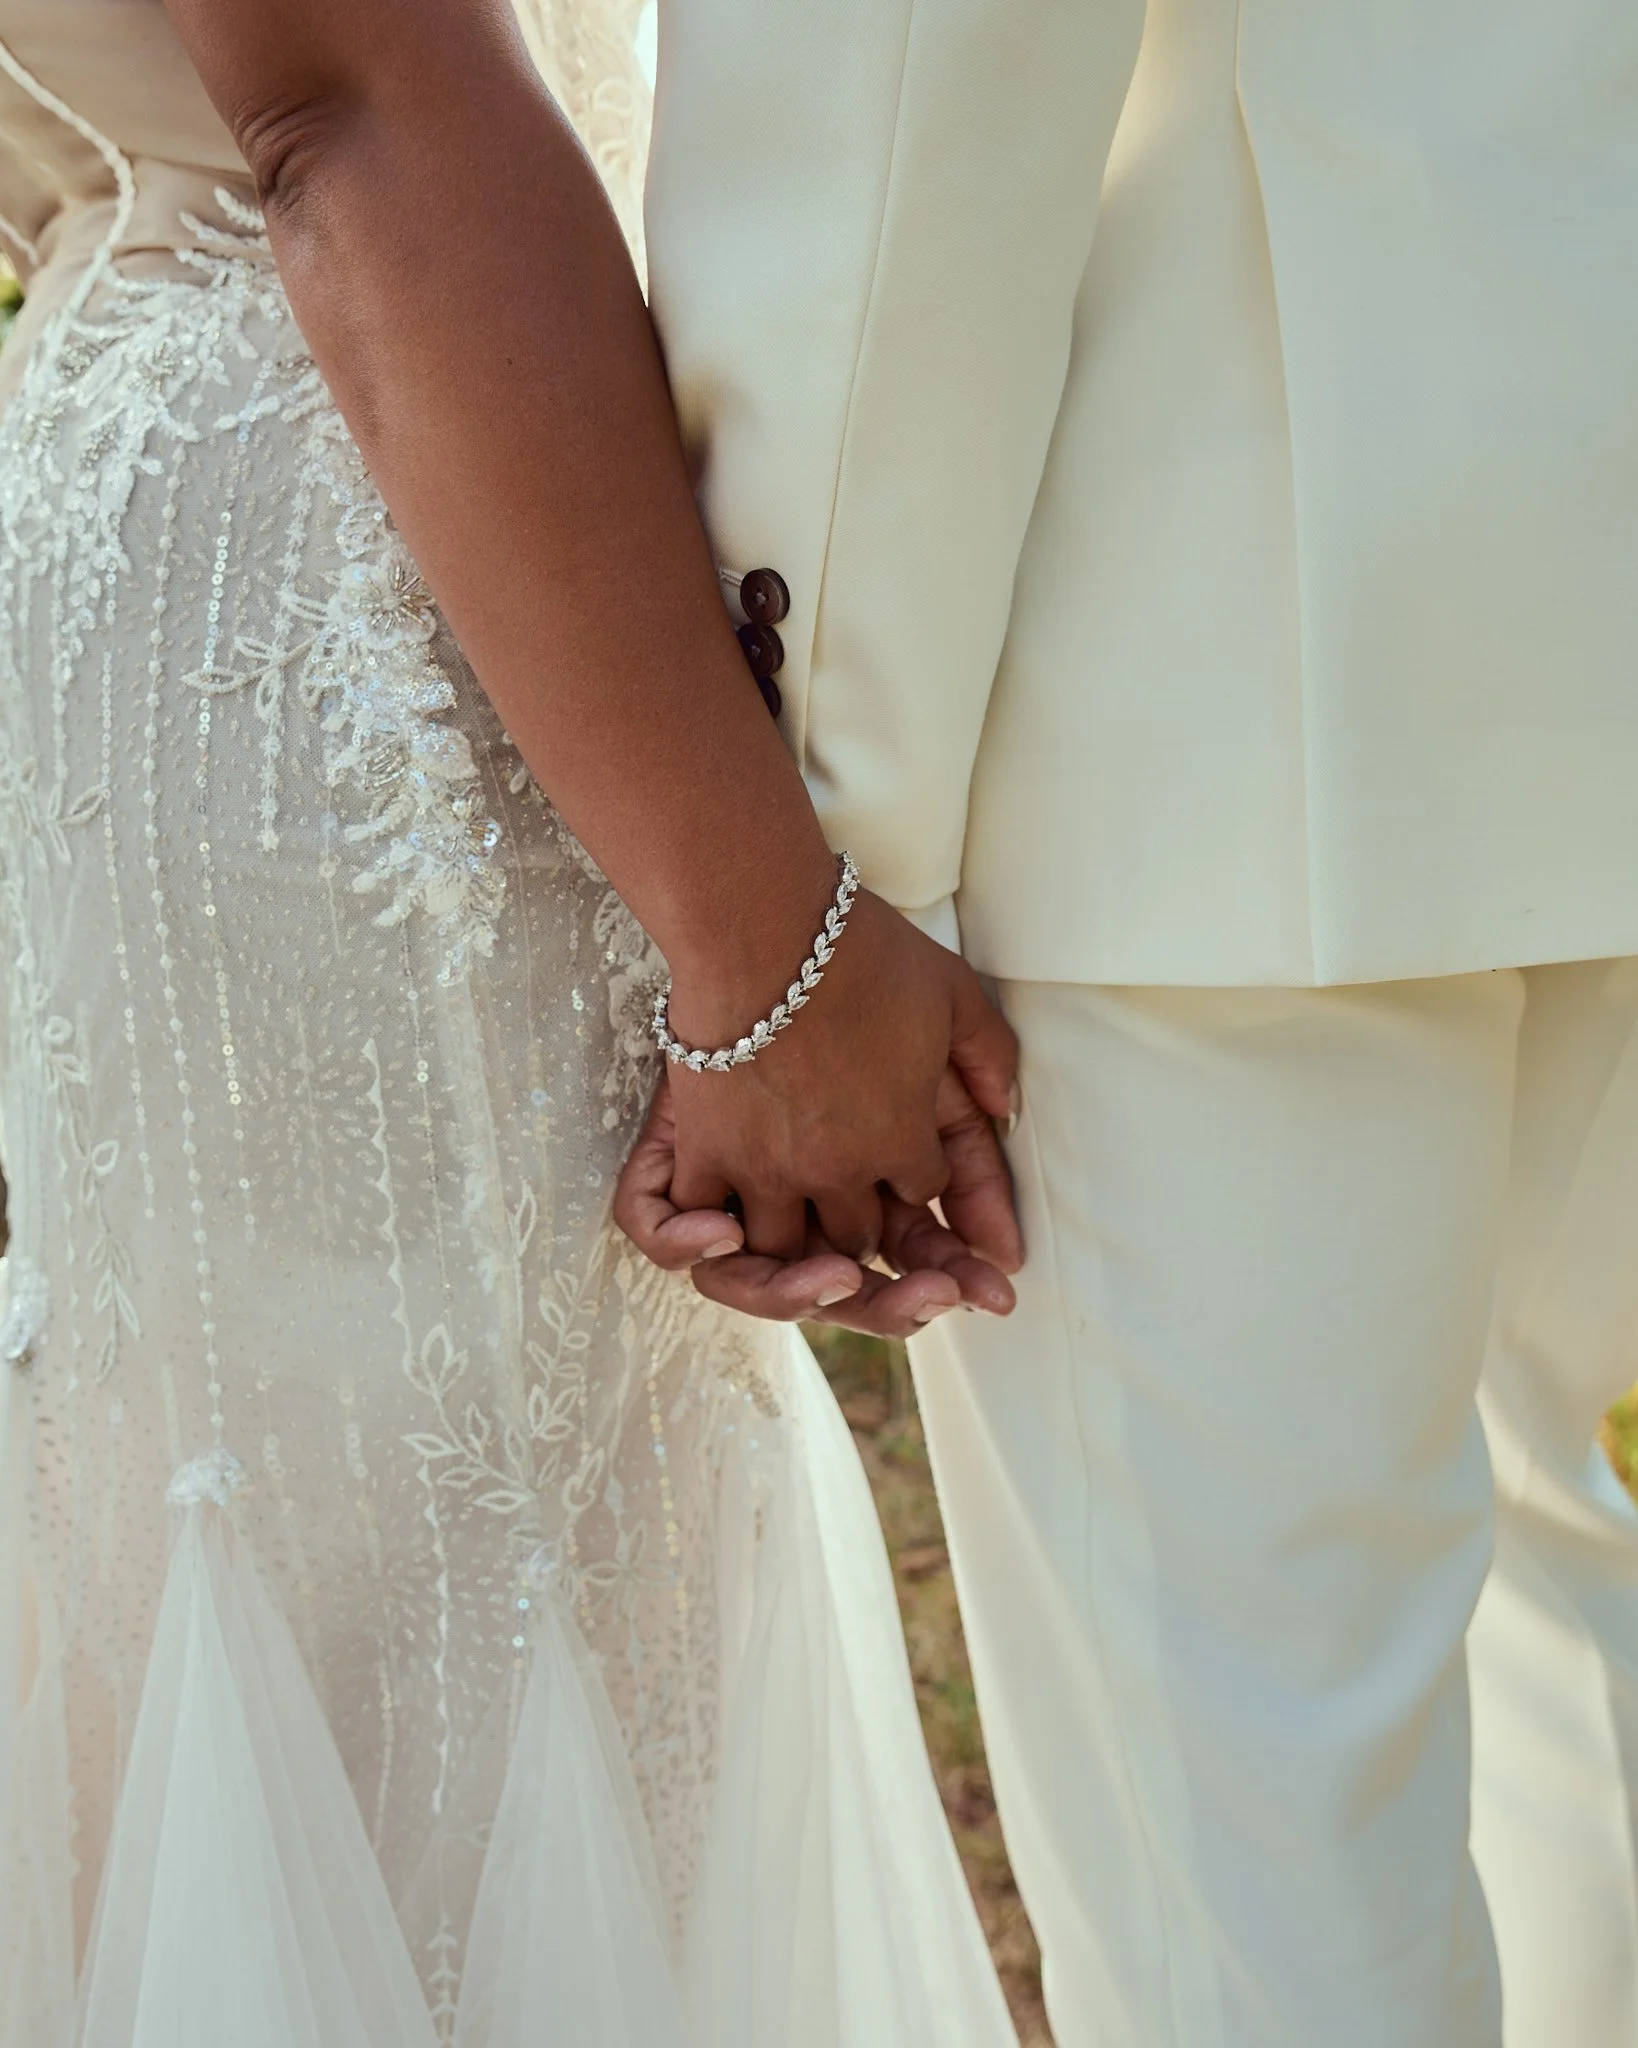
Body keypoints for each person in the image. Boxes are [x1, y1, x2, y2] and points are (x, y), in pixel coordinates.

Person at [0, 1, 1026, 2039]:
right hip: (404, 601)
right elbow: (361, 107)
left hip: (280, 504)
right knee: (437, 1679)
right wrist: (768, 958)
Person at [620, 3, 1638, 2045]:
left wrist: (804, 865)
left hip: (1213, 678)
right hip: (1556, 538)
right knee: (1548, 1631)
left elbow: (906, 63)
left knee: (1250, 1890)